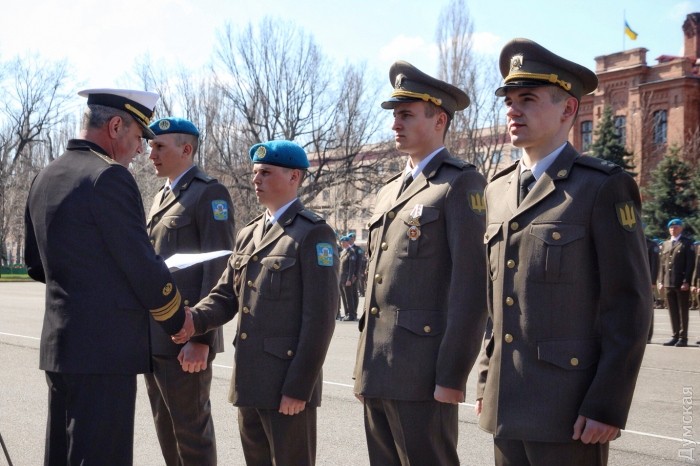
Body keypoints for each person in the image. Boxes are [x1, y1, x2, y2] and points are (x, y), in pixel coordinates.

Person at [474, 39, 652, 466]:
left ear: (568, 109)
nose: (513, 110)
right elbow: (495, 307)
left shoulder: (601, 187)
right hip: (506, 404)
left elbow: (629, 305)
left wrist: (607, 404)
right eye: (509, 101)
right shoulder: (497, 190)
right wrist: (485, 381)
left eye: (528, 99)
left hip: (569, 410)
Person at [24, 88, 193, 465]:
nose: (140, 150)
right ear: (116, 126)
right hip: (104, 353)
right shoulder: (109, 177)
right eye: (137, 137)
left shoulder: (45, 176)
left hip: (60, 348)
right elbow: (142, 265)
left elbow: (35, 264)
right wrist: (176, 318)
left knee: (62, 456)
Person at [352, 61, 488, 465]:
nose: (396, 123)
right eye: (395, 114)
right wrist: (363, 368)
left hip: (423, 373)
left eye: (407, 114)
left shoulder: (459, 183)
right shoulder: (389, 191)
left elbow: (471, 287)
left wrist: (452, 375)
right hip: (378, 368)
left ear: (439, 119)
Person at [174, 140, 339, 466]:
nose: (256, 179)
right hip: (250, 381)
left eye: (265, 172)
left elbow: (320, 318)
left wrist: (299, 387)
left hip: (286, 385)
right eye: (254, 173)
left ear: (294, 176)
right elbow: (226, 295)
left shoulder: (313, 233)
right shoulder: (249, 233)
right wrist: (193, 319)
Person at [144, 117, 235, 465]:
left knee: (191, 434)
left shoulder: (209, 193)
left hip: (187, 338)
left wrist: (202, 338)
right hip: (156, 336)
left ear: (186, 149)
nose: (151, 154)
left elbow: (218, 268)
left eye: (159, 146)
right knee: (166, 431)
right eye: (150, 146)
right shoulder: (161, 196)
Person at [658, 218, 695, 347]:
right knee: (672, 311)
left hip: (681, 282)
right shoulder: (666, 244)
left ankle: (683, 338)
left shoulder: (687, 243)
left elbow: (690, 265)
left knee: (682, 311)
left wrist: (687, 281)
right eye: (671, 228)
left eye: (676, 227)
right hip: (669, 282)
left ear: (681, 228)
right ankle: (675, 336)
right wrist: (661, 281)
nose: (673, 229)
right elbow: (662, 265)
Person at [339, 235, 358, 321]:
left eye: (344, 242)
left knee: (349, 297)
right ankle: (347, 313)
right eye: (341, 242)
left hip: (347, 278)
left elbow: (352, 267)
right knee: (344, 297)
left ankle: (351, 315)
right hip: (341, 278)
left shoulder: (351, 252)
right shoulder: (343, 252)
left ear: (348, 242)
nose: (342, 243)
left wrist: (349, 279)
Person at [646, 236, 660, 342]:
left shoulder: (651, 244)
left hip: (647, 281)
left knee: (647, 308)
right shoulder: (631, 241)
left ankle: (648, 335)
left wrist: (653, 281)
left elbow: (655, 264)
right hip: (633, 279)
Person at [347, 232, 367, 297]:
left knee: (354, 290)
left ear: (354, 239)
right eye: (349, 239)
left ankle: (361, 293)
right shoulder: (346, 249)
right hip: (346, 273)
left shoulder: (358, 249)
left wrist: (356, 274)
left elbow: (359, 262)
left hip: (354, 272)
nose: (350, 240)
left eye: (351, 239)